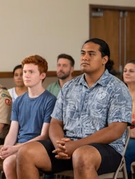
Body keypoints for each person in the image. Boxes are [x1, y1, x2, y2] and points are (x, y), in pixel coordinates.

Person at [16, 39, 132, 179]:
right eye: (83, 53)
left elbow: (116, 130)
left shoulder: (117, 88)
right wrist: (60, 145)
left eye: (91, 54)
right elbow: (55, 123)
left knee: (82, 155)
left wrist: (76, 145)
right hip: (68, 147)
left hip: (106, 150)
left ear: (104, 59)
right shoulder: (69, 87)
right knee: (25, 152)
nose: (85, 57)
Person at [0, 55, 56, 179]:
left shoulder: (50, 100)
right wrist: (7, 147)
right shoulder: (18, 101)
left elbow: (44, 135)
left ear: (42, 76)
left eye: (31, 72)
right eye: (25, 72)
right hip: (16, 145)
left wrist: (15, 149)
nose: (26, 75)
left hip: (36, 147)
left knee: (8, 163)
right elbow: (13, 130)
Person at [122, 60, 135, 178]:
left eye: (131, 71)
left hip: (133, 139)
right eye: (125, 70)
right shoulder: (119, 94)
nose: (127, 73)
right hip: (121, 136)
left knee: (124, 153)